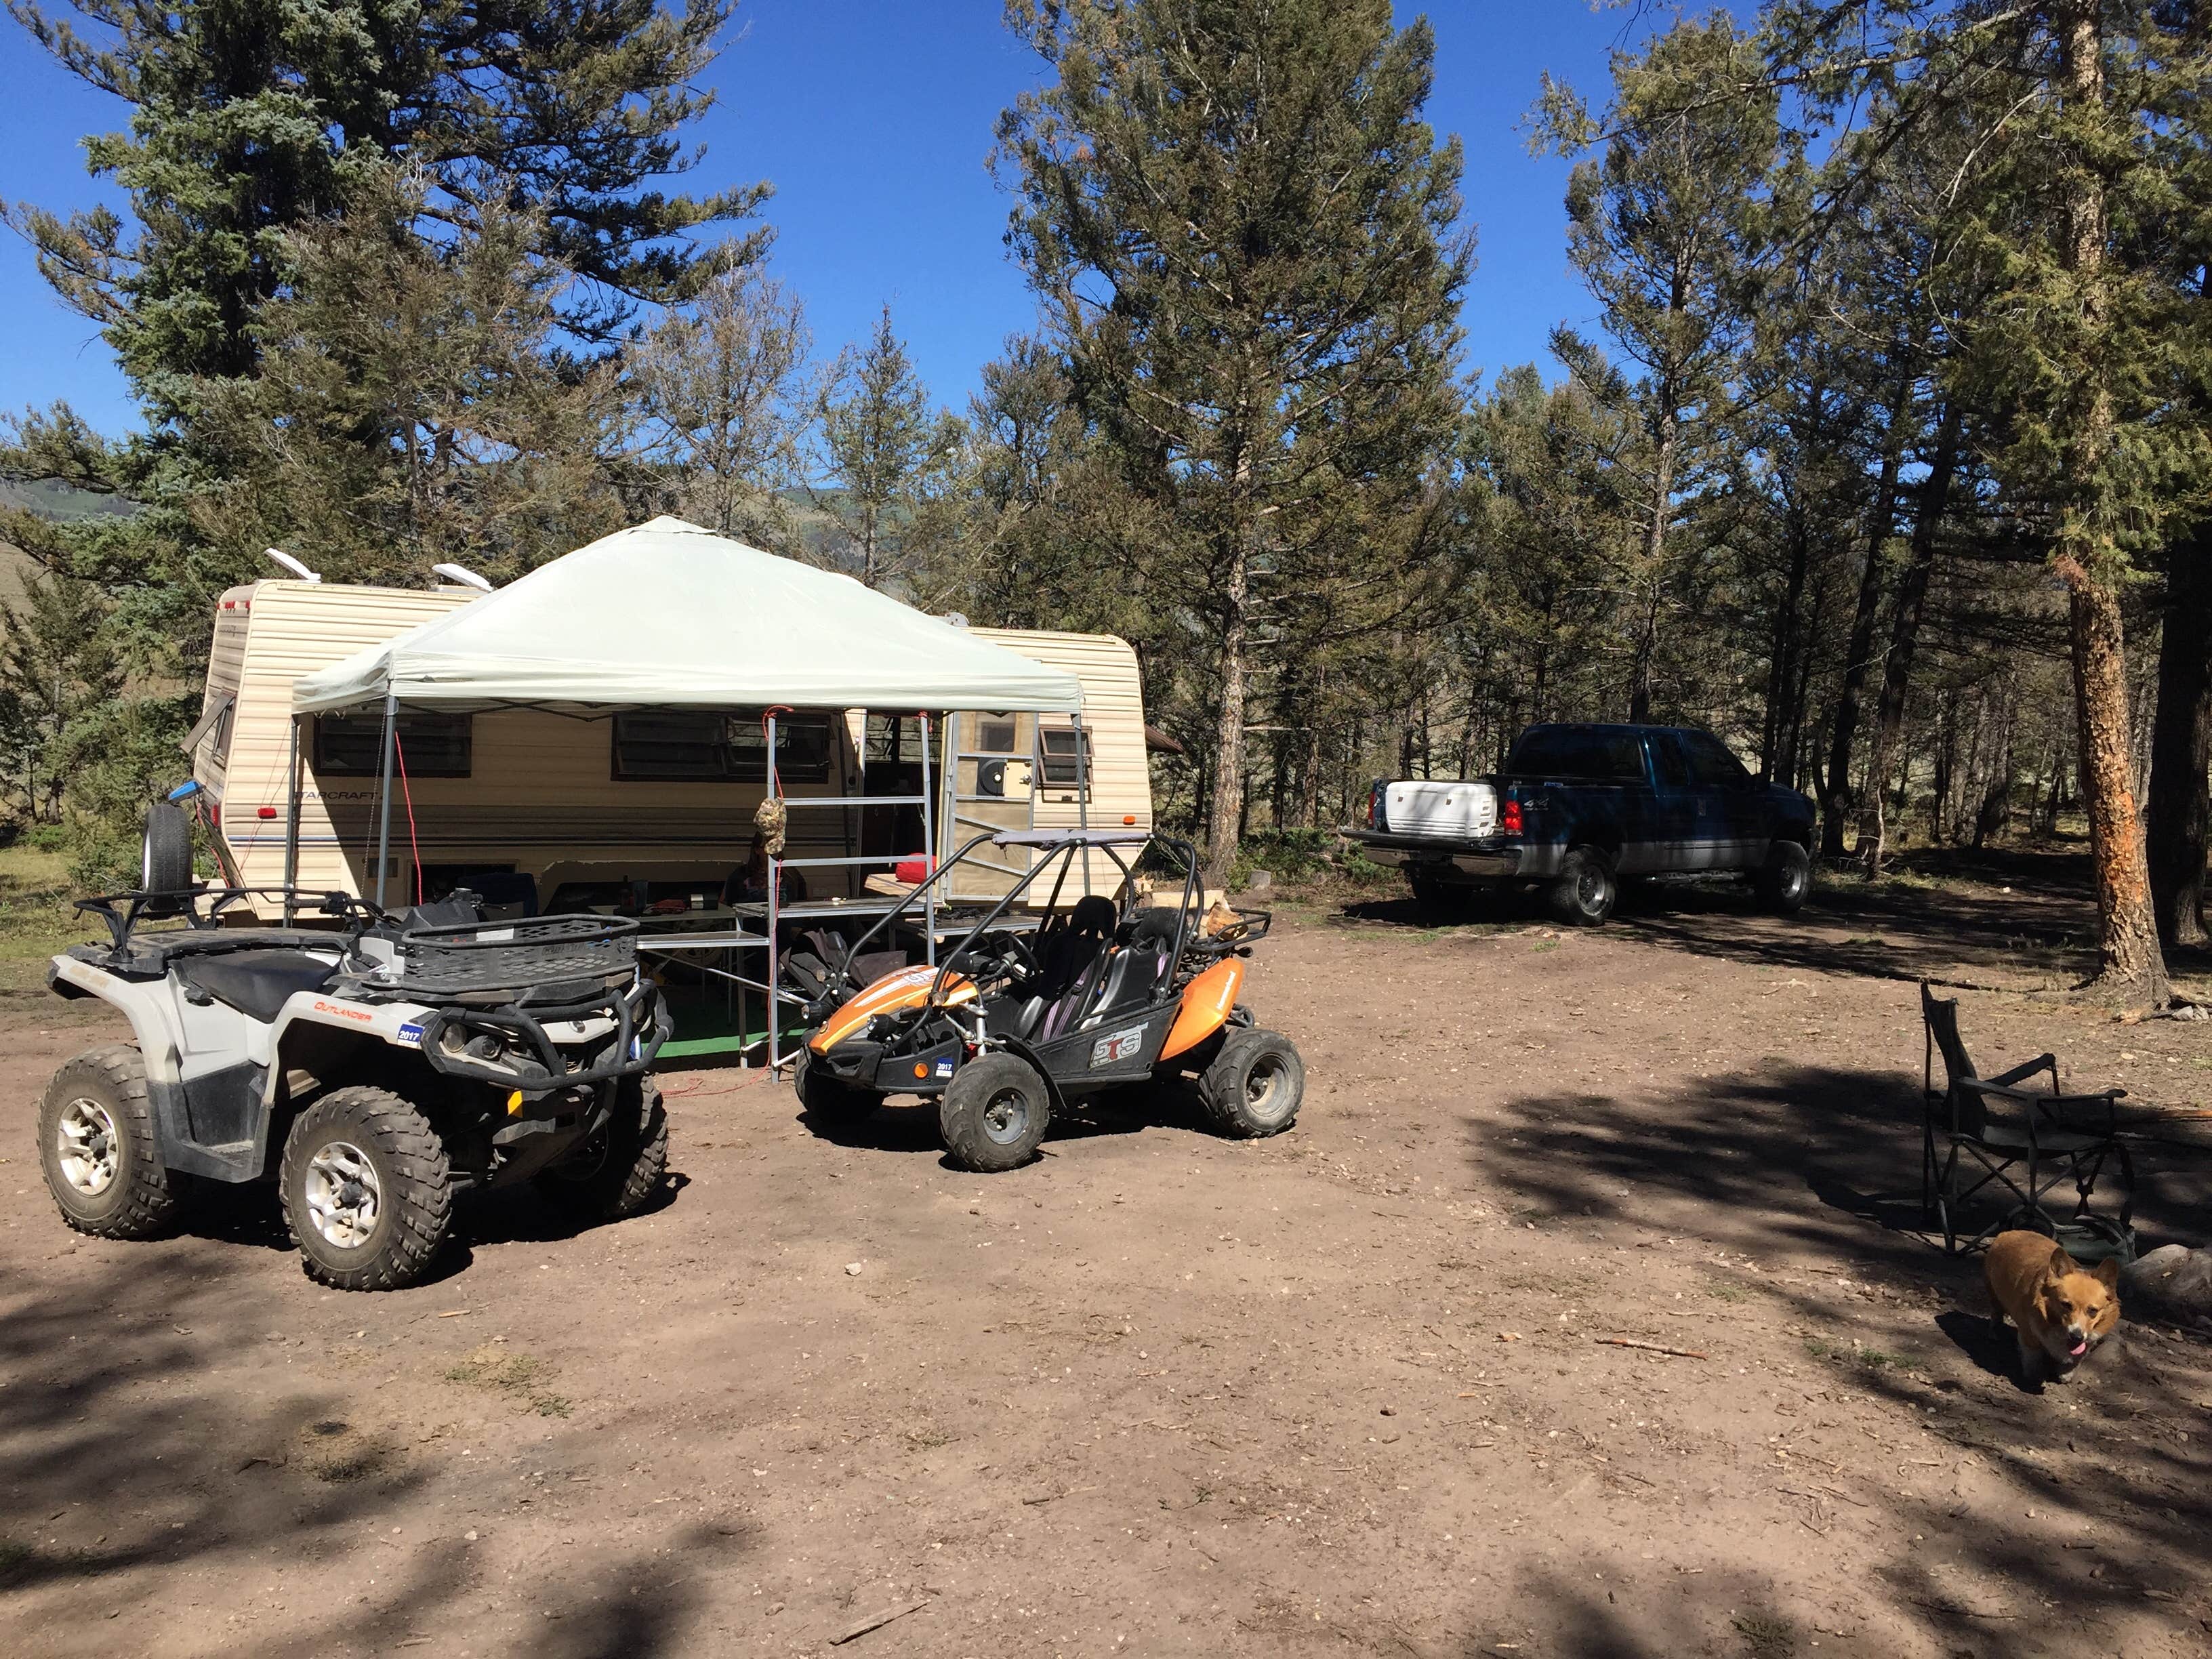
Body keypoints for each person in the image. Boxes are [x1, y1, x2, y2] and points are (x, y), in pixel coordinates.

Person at [724, 830, 807, 907]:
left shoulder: (791, 873)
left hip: (785, 920)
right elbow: (732, 904)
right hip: (754, 920)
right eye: (768, 846)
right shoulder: (741, 874)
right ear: (757, 850)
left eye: (776, 846)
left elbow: (802, 900)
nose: (773, 850)